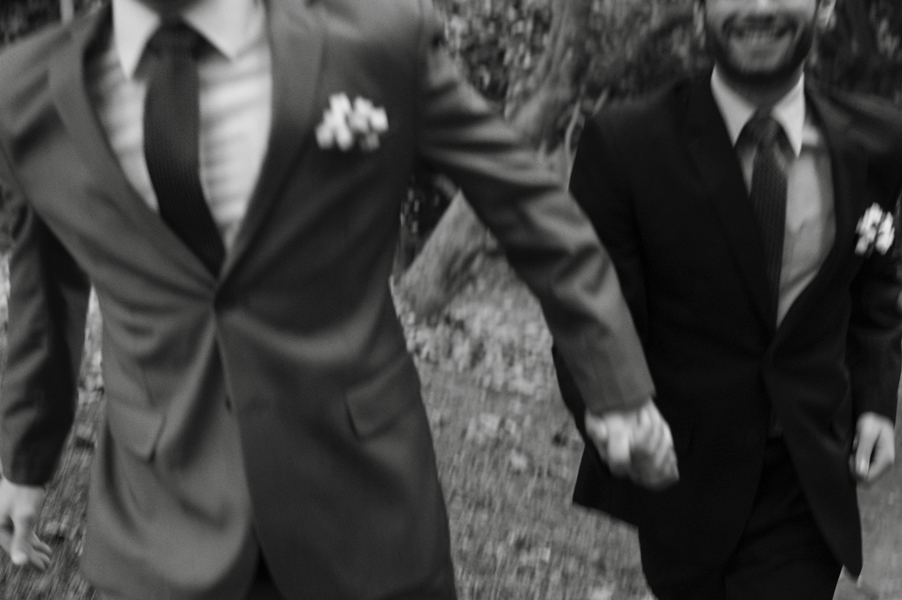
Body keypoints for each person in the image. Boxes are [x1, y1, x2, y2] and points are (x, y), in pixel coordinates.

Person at [0, 0, 678, 598]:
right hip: (160, 521)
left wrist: (615, 388)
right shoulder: (25, 93)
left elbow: (528, 208)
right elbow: (45, 284)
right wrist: (25, 460)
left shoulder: (375, 41)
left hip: (363, 509)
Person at [555, 0, 902, 598]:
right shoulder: (626, 144)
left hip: (804, 473)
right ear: (700, 9)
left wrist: (876, 402)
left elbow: (873, 279)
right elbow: (591, 311)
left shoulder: (878, 141)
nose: (759, 7)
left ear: (824, 8)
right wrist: (613, 410)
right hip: (682, 476)